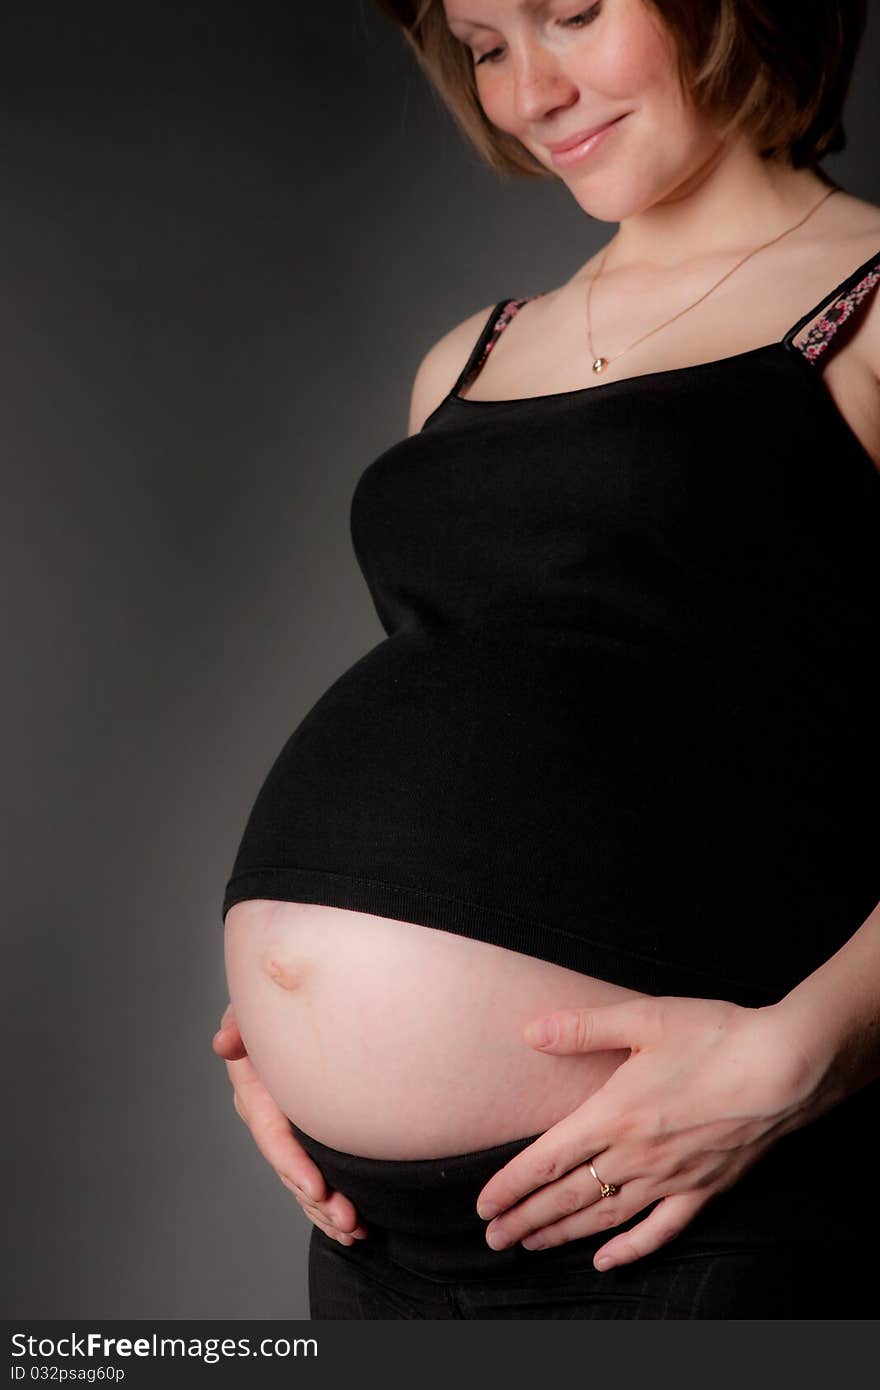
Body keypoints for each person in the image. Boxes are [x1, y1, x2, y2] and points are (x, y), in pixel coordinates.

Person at [213, 0, 880, 1318]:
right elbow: (491, 724)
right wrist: (276, 1036)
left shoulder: (863, 306)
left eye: (571, 13)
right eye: (486, 43)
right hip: (373, 1241)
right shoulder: (467, 359)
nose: (530, 91)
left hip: (686, 1212)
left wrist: (802, 1054)